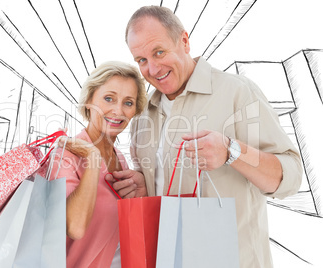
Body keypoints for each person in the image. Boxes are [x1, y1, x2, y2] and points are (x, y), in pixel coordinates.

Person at [106, 6, 303, 268]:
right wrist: (146, 187)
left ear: (184, 42)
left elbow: (291, 177)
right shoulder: (143, 115)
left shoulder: (237, 92)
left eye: (159, 52)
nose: (152, 69)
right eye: (141, 60)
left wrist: (231, 151)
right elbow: (159, 186)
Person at [51, 61, 147, 268]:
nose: (118, 111)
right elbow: (75, 227)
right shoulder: (66, 156)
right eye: (109, 98)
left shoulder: (120, 158)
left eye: (128, 103)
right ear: (88, 101)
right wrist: (92, 159)